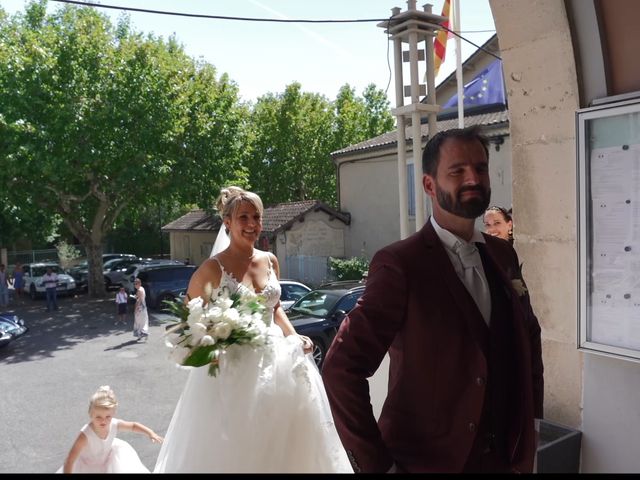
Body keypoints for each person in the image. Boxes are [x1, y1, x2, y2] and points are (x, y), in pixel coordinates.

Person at [322, 126, 544, 474]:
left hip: (505, 460)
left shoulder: (503, 255)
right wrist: (378, 465)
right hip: (425, 462)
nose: (473, 178)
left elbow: (528, 336)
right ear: (429, 185)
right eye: (457, 171)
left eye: (481, 168)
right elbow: (341, 367)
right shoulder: (400, 264)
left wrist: (531, 426)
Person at [153, 186, 352, 473]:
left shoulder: (270, 261)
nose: (251, 224)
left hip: (278, 362)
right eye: (243, 217)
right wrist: (211, 344)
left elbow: (276, 307)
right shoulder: (212, 269)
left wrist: (293, 335)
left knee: (288, 440)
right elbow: (188, 320)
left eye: (256, 217)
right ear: (228, 223)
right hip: (234, 372)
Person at [59, 385, 163, 473]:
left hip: (108, 461)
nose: (103, 421)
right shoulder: (85, 435)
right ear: (91, 414)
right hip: (87, 466)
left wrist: (150, 432)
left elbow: (132, 426)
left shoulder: (114, 424)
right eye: (98, 417)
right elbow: (70, 460)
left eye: (108, 417)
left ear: (113, 414)